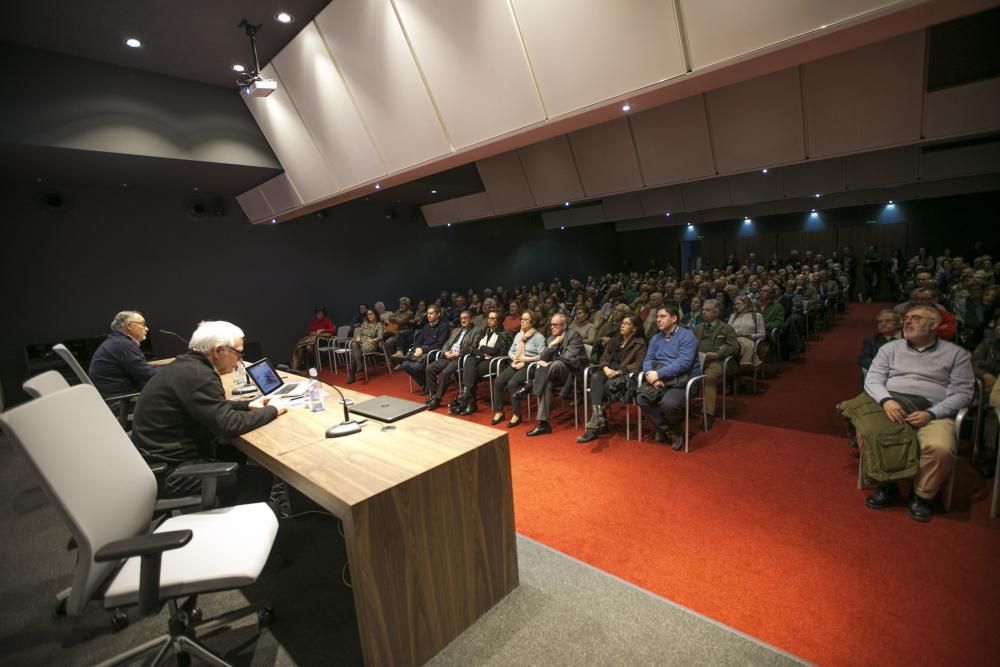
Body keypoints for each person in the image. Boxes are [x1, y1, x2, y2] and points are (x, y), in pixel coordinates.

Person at [130, 320, 284, 499]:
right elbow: (230, 424)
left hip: (161, 461)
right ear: (219, 350)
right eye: (238, 353)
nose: (240, 361)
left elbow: (209, 405)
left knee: (236, 452)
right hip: (172, 473)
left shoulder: (188, 366)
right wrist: (273, 409)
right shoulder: (199, 375)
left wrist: (247, 405)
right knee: (258, 477)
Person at [862, 305, 974, 522]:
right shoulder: (890, 348)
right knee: (869, 431)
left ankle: (922, 494)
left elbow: (963, 393)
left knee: (940, 448)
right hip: (893, 404)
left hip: (933, 410)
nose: (907, 321)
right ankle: (888, 484)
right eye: (906, 318)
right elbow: (873, 379)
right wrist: (886, 401)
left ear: (934, 325)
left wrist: (932, 413)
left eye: (915, 318)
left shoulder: (956, 355)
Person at [638, 305, 700, 450]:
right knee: (642, 398)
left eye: (662, 316)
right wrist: (650, 375)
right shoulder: (655, 338)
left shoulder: (687, 336)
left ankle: (668, 428)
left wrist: (659, 374)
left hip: (683, 380)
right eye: (657, 317)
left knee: (669, 403)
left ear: (674, 318)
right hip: (659, 377)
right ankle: (670, 431)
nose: (658, 320)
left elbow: (684, 364)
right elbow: (648, 359)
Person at [577, 314, 647, 443]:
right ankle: (598, 414)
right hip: (608, 371)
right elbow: (604, 358)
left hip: (623, 375)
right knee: (596, 376)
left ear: (635, 328)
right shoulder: (615, 340)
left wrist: (620, 371)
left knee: (596, 386)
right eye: (623, 323)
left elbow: (639, 363)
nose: (622, 325)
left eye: (627, 323)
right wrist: (606, 368)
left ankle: (595, 426)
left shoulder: (640, 343)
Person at [523, 313, 588, 437]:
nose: (552, 327)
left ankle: (530, 386)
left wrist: (549, 362)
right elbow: (543, 357)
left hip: (572, 372)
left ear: (564, 325)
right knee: (546, 383)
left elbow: (569, 358)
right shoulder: (551, 338)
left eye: (555, 325)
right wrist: (553, 344)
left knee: (555, 364)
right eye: (551, 324)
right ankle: (543, 423)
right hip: (553, 375)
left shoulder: (574, 335)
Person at [491, 311, 545, 427]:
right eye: (522, 319)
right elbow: (511, 350)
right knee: (498, 381)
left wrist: (526, 358)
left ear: (532, 322)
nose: (522, 322)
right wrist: (513, 356)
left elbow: (542, 356)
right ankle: (499, 412)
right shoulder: (518, 335)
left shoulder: (538, 337)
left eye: (526, 320)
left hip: (530, 365)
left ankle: (517, 414)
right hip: (516, 362)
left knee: (512, 383)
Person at [691, 299, 739, 431]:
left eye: (707, 310)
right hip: (697, 360)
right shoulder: (698, 327)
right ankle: (682, 407)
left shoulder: (726, 328)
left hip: (716, 361)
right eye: (703, 310)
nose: (703, 312)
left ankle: (707, 413)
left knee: (709, 378)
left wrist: (718, 354)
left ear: (716, 312)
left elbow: (734, 347)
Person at [454, 309, 512, 416]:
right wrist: (482, 353)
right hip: (482, 359)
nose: (489, 320)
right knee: (469, 360)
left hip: (495, 362)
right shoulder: (484, 331)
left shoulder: (503, 334)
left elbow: (499, 352)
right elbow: (473, 348)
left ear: (498, 321)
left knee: (471, 370)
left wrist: (483, 348)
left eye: (493, 318)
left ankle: (470, 400)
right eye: (489, 318)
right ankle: (468, 395)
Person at [88, 310, 159, 397]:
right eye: (143, 324)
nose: (146, 328)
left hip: (118, 398)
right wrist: (170, 371)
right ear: (129, 325)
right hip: (121, 402)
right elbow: (146, 374)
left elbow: (143, 368)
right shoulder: (123, 344)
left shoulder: (118, 341)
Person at [424, 310, 478, 410]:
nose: (463, 320)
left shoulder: (476, 330)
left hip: (460, 358)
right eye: (461, 318)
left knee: (445, 373)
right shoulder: (456, 330)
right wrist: (445, 352)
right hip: (448, 356)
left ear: (471, 319)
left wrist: (459, 353)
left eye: (465, 318)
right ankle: (434, 394)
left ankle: (437, 399)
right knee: (429, 368)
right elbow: (447, 343)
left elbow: (474, 347)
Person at [397, 305, 449, 392]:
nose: (429, 315)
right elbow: (418, 341)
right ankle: (426, 383)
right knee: (404, 365)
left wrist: (423, 350)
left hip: (433, 352)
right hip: (421, 351)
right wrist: (417, 348)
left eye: (431, 313)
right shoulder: (426, 327)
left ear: (438, 314)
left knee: (417, 367)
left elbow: (439, 345)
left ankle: (428, 385)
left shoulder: (443, 327)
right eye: (428, 313)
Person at [346, 307, 385, 384]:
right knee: (354, 343)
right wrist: (358, 338)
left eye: (371, 314)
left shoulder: (379, 324)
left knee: (353, 354)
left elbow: (380, 337)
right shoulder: (365, 323)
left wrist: (373, 340)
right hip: (360, 343)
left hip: (370, 344)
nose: (369, 316)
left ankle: (352, 374)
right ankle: (359, 365)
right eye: (368, 314)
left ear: (375, 315)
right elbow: (359, 334)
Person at [290, 306, 335, 370]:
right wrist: (312, 333)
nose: (319, 315)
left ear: (323, 314)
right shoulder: (314, 321)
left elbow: (332, 330)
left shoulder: (327, 320)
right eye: (318, 314)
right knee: (300, 348)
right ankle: (296, 367)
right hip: (312, 340)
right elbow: (309, 331)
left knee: (309, 347)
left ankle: (313, 364)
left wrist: (323, 330)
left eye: (321, 314)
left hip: (321, 341)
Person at [728, 295, 765, 369]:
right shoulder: (733, 316)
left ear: (746, 303)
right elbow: (727, 331)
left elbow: (763, 335)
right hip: (734, 340)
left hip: (749, 339)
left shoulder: (757, 316)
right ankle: (747, 362)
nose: (736, 306)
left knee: (745, 342)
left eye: (738, 304)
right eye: (735, 304)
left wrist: (747, 335)